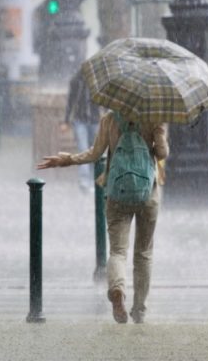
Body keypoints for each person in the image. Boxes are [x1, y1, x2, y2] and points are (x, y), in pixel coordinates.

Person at [36, 111, 168, 324]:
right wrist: (157, 135)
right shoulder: (154, 116)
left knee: (117, 251)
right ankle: (140, 311)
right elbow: (162, 153)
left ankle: (117, 289)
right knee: (143, 253)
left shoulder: (110, 118)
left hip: (118, 192)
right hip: (147, 194)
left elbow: (95, 154)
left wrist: (67, 160)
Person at [63, 70, 101, 193]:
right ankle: (85, 181)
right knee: (83, 149)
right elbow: (70, 101)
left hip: (94, 121)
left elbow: (104, 101)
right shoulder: (76, 81)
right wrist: (66, 120)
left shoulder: (99, 82)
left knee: (93, 150)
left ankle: (92, 180)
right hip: (80, 121)